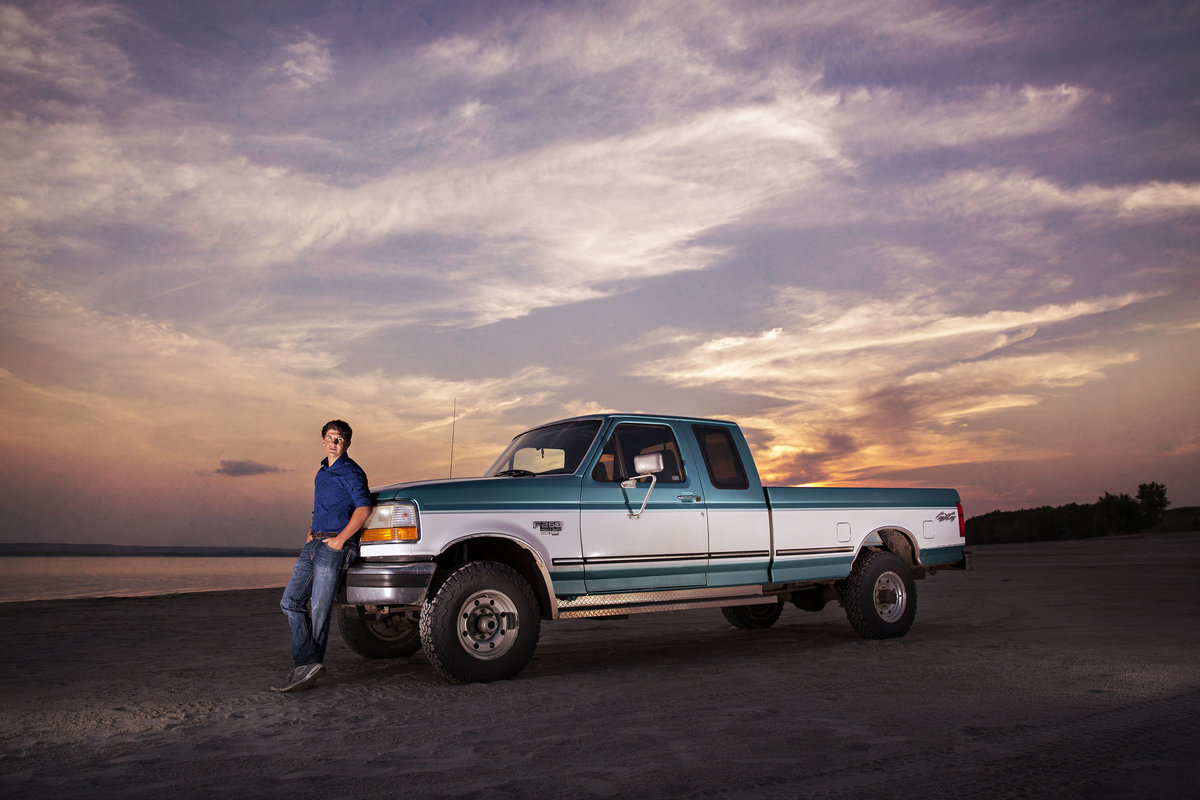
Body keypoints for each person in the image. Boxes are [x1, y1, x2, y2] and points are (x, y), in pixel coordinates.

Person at [274, 419, 372, 692]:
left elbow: (363, 508)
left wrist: (340, 541)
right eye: (329, 438)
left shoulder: (351, 471)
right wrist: (310, 530)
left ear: (348, 443)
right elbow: (320, 507)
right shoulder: (321, 472)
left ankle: (306, 666)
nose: (334, 442)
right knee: (290, 601)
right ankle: (308, 663)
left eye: (339, 438)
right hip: (314, 543)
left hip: (335, 545)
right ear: (322, 441)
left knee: (319, 607)